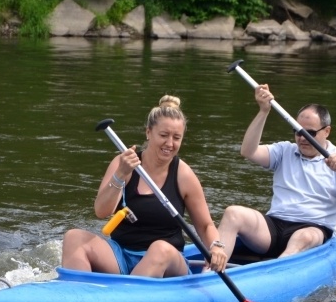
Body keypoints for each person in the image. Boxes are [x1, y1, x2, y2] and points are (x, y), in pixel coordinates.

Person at [61, 95, 228, 277]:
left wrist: (216, 246)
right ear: (148, 132)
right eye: (163, 135)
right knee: (74, 238)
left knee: (159, 249)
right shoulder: (124, 163)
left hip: (167, 261)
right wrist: (120, 175)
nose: (170, 144)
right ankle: (79, 297)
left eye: (176, 138)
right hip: (122, 254)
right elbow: (101, 211)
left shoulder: (184, 174)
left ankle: (126, 298)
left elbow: (204, 225)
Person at [216, 84, 336, 263]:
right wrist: (263, 111)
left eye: (310, 133)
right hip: (274, 226)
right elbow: (248, 151)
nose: (302, 138)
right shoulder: (284, 151)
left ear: (326, 131)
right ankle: (211, 271)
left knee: (302, 237)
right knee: (233, 213)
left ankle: (275, 275)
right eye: (298, 131)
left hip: (314, 228)